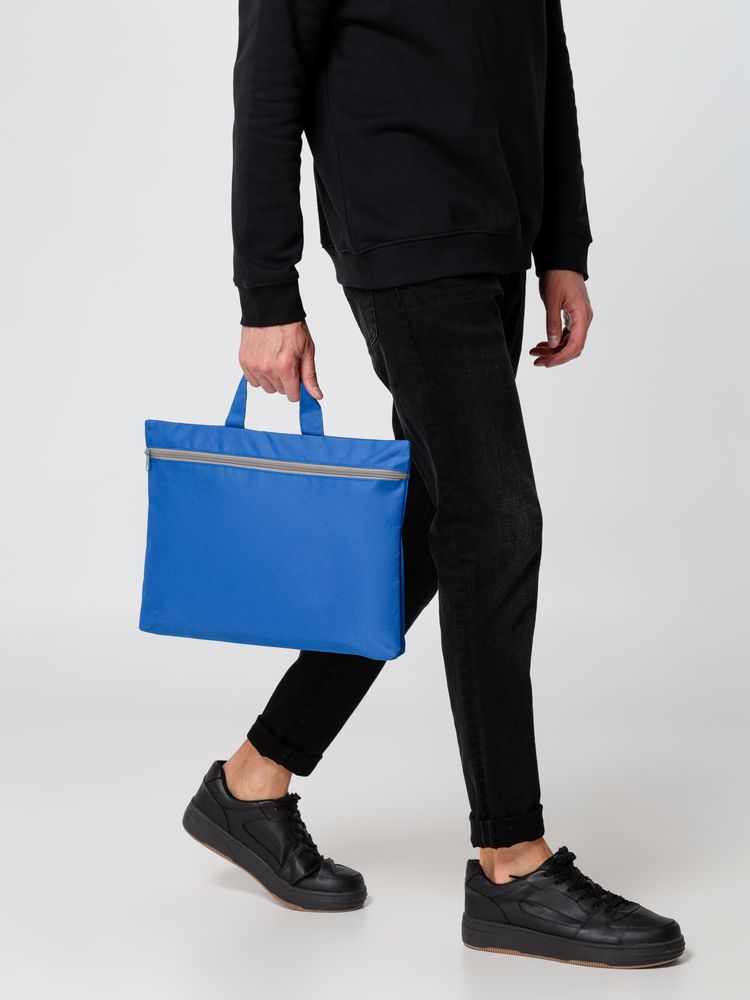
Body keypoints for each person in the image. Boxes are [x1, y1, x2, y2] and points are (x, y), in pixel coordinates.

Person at [182, 0, 685, 968]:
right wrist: (266, 294)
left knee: (433, 523)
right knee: (496, 522)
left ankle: (252, 779)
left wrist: (562, 245)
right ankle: (512, 861)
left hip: (496, 239)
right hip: (403, 238)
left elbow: (545, 61)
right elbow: (269, 85)